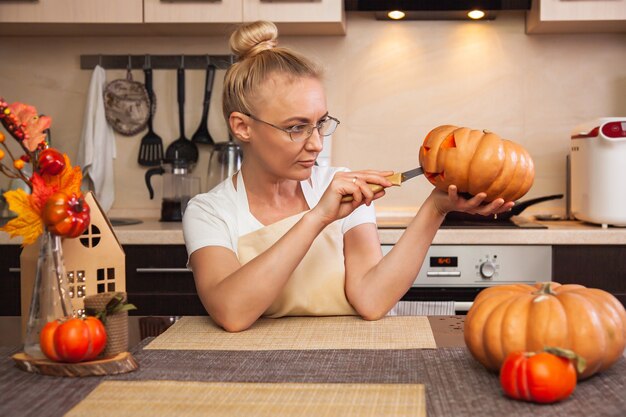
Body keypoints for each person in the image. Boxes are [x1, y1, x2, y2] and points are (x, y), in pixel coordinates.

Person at [182, 21, 514, 332]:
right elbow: (231, 312)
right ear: (242, 127)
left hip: (353, 356)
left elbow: (372, 301)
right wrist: (317, 218)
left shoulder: (339, 185)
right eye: (297, 128)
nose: (316, 143)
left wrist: (436, 208)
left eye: (321, 123)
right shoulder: (210, 212)